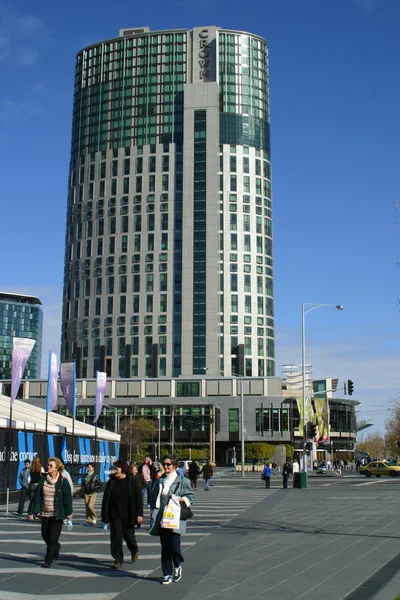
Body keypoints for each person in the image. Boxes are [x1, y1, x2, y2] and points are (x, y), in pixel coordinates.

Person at [149, 454, 195, 585]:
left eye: (168, 464)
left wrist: (181, 499)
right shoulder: (159, 480)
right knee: (165, 547)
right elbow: (153, 496)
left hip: (175, 518)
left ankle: (178, 564)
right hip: (163, 518)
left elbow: (191, 497)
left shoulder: (183, 481)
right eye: (164, 464)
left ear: (174, 466)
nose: (166, 466)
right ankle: (167, 574)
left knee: (174, 546)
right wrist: (152, 509)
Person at [28, 457, 73, 568]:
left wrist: (69, 512)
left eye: (50, 466)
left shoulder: (62, 481)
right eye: (48, 465)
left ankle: (48, 560)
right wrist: (31, 511)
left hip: (57, 514)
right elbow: (36, 496)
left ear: (57, 468)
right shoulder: (43, 479)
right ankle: (56, 548)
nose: (48, 467)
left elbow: (67, 497)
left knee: (53, 537)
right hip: (45, 513)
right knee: (45, 535)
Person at [101, 459, 143, 569]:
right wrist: (105, 514)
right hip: (115, 515)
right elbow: (106, 498)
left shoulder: (131, 481)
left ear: (123, 470)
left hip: (128, 514)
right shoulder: (111, 481)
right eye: (114, 469)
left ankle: (134, 550)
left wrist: (139, 514)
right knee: (116, 538)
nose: (115, 471)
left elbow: (138, 498)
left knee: (129, 536)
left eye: (117, 469)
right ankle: (118, 559)